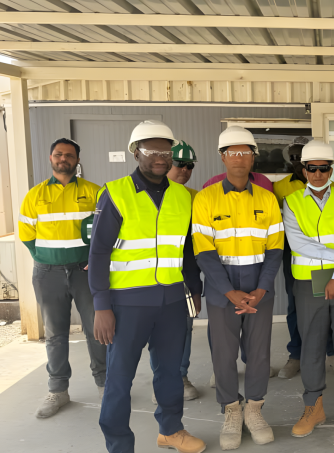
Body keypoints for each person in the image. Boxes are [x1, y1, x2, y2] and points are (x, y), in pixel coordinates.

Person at [90, 120, 206, 453]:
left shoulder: (183, 197)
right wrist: (101, 305)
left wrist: (194, 289)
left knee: (170, 372)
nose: (160, 157)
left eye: (166, 151)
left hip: (172, 302)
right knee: (119, 379)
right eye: (151, 150)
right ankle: (119, 445)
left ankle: (171, 430)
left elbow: (186, 250)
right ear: (135, 152)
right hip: (127, 304)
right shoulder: (116, 193)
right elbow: (98, 253)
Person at [192, 126, 282, 449]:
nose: (239, 158)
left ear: (253, 157)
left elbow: (275, 249)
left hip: (259, 288)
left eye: (245, 152)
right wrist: (229, 291)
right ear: (222, 157)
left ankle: (254, 409)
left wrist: (261, 289)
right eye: (233, 152)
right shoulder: (206, 198)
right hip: (223, 289)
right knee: (224, 354)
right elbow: (203, 251)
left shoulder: (267, 199)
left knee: (258, 354)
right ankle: (231, 409)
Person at [283, 140, 334, 438]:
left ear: (331, 170)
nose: (318, 174)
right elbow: (297, 243)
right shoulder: (292, 201)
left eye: (323, 168)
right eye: (312, 168)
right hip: (308, 282)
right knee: (312, 344)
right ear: (303, 170)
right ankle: (313, 406)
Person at [18, 138, 106, 419]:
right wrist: (45, 258)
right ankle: (58, 390)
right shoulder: (35, 195)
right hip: (48, 274)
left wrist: (95, 262)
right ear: (50, 158)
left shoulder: (95, 192)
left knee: (97, 330)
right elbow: (26, 235)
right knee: (55, 334)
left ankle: (105, 385)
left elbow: (106, 231)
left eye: (69, 155)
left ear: (77, 159)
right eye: (58, 154)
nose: (63, 158)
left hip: (85, 272)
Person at [273, 136, 334, 380]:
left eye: (302, 157)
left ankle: (331, 352)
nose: (297, 161)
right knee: (296, 304)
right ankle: (296, 355)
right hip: (295, 255)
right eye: (293, 157)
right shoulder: (279, 189)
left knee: (328, 301)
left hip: (327, 255)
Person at [150, 140, 202, 405]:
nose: (185, 170)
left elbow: (195, 248)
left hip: (182, 279)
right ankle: (161, 380)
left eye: (189, 166)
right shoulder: (144, 195)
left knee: (184, 329)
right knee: (155, 332)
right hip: (147, 278)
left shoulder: (195, 198)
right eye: (180, 164)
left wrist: (195, 287)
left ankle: (180, 376)